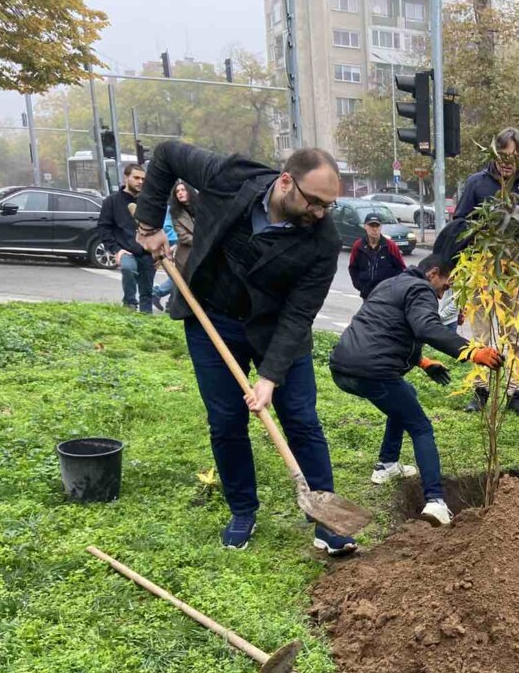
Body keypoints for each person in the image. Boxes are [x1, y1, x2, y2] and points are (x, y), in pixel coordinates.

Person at [133, 141, 356, 555]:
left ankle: (327, 521)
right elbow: (164, 156)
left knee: (302, 420)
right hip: (211, 315)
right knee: (225, 420)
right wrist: (148, 227)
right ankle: (243, 510)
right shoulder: (230, 176)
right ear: (286, 182)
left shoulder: (323, 240)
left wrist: (269, 377)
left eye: (330, 205)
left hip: (276, 329)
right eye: (315, 202)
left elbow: (298, 313)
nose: (322, 213)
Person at [329, 254, 503, 526]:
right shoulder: (421, 289)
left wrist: (421, 361)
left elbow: (387, 328)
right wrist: (472, 351)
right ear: (433, 274)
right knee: (421, 427)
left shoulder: (392, 284)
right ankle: (435, 501)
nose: (445, 292)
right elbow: (426, 328)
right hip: (374, 372)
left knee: (404, 395)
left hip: (341, 368)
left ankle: (386, 465)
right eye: (446, 286)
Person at [453, 127, 519, 417]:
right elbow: (460, 226)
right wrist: (457, 269)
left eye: (514, 156)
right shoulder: (477, 184)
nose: (508, 161)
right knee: (481, 334)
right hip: (482, 269)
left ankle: (514, 392)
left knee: (516, 335)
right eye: (502, 155)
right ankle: (480, 391)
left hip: (518, 272)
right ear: (494, 153)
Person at [98, 163, 154, 313]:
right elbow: (104, 228)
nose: (140, 182)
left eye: (143, 179)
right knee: (128, 269)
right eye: (136, 178)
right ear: (126, 178)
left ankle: (146, 322)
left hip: (147, 252)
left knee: (147, 292)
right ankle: (129, 307)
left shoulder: (148, 202)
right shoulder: (111, 201)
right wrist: (116, 250)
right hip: (125, 250)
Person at [152, 180, 197, 311]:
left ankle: (170, 303)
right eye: (177, 191)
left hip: (200, 249)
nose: (180, 193)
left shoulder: (201, 207)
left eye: (183, 190)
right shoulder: (174, 211)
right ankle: (162, 296)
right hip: (185, 250)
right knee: (180, 279)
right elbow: (182, 235)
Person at [348, 210, 406, 300]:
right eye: (371, 226)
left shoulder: (390, 246)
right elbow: (353, 268)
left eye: (377, 226)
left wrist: (393, 287)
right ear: (365, 227)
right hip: (367, 294)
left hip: (387, 295)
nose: (374, 229)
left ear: (381, 227)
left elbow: (401, 269)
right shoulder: (358, 246)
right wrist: (359, 285)